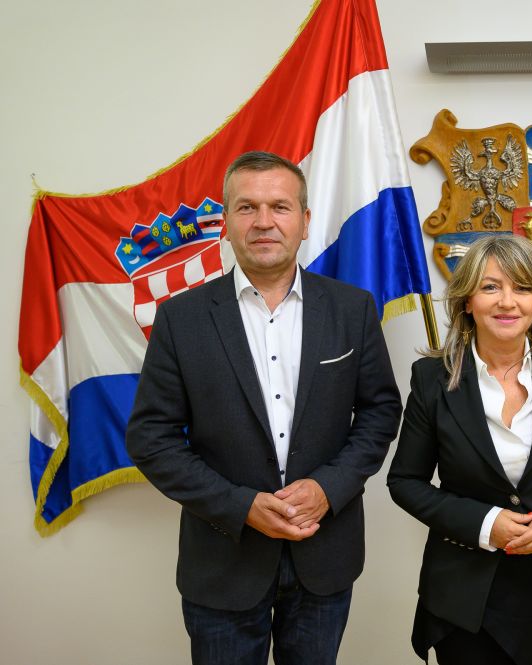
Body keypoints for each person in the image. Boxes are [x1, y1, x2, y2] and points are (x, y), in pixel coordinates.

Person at [125, 151, 402, 665]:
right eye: (247, 207)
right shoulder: (181, 319)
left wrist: (329, 488)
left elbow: (380, 411)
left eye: (280, 206)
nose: (263, 221)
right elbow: (151, 439)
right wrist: (240, 506)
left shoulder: (352, 309)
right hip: (222, 562)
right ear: (226, 222)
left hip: (325, 556)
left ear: (305, 221)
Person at [387, 234, 532, 665]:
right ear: (467, 301)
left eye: (523, 287)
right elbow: (404, 481)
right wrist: (485, 523)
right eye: (491, 287)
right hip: (465, 599)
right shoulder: (432, 378)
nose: (508, 302)